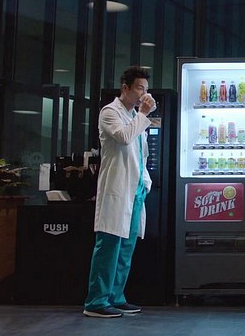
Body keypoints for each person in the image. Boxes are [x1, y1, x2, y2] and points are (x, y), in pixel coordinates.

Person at [83, 66, 156, 318]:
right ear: (125, 88)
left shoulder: (135, 115)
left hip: (135, 190)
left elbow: (141, 154)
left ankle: (116, 296)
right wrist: (143, 114)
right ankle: (96, 301)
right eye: (139, 89)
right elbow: (124, 137)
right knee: (109, 245)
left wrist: (145, 183)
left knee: (126, 247)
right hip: (117, 189)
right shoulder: (109, 112)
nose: (143, 94)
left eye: (146, 89)